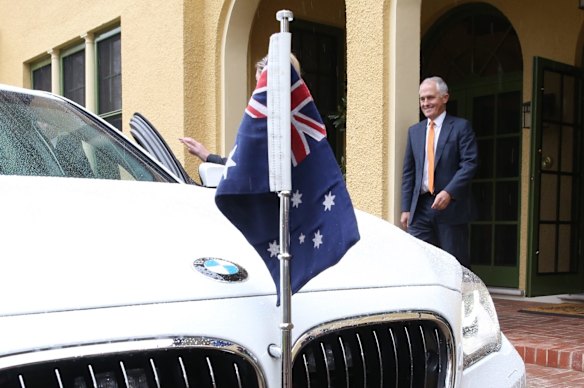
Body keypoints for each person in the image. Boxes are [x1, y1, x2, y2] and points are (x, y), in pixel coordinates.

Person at [400, 76, 478, 267]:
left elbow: (470, 163)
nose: (425, 103)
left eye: (430, 98)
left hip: (450, 207)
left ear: (445, 98)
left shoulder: (461, 127)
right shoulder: (414, 132)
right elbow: (409, 172)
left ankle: (456, 298)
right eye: (422, 99)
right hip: (420, 208)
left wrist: (449, 192)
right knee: (421, 262)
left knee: (453, 264)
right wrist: (406, 208)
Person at [180, 54, 301, 165]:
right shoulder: (304, 123)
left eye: (259, 86)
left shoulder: (265, 125)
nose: (255, 92)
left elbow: (243, 169)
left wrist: (207, 156)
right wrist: (207, 155)